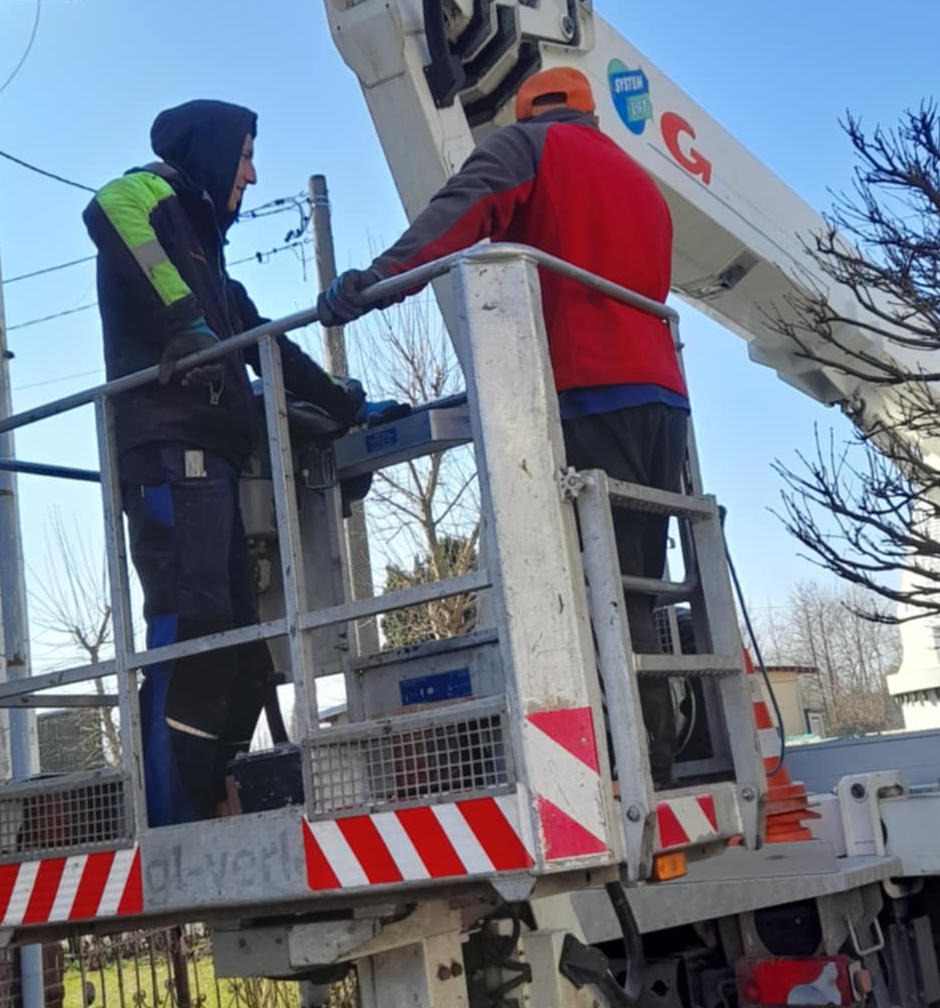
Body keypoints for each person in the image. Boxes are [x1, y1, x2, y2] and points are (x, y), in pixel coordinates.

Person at [318, 66, 690, 784]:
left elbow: (461, 211)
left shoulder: (527, 147)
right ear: (587, 112)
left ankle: (613, 767)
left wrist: (376, 282)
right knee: (635, 585)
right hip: (661, 396)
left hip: (588, 389)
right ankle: (653, 756)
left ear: (526, 114)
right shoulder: (643, 181)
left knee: (577, 583)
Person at [87, 99, 381, 824]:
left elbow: (266, 343)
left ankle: (213, 798)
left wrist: (347, 406)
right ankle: (167, 819)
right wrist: (182, 322)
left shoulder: (211, 266)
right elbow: (107, 204)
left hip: (212, 453)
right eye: (246, 154)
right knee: (190, 624)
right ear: (214, 152)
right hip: (168, 448)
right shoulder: (152, 193)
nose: (252, 173)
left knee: (245, 647)